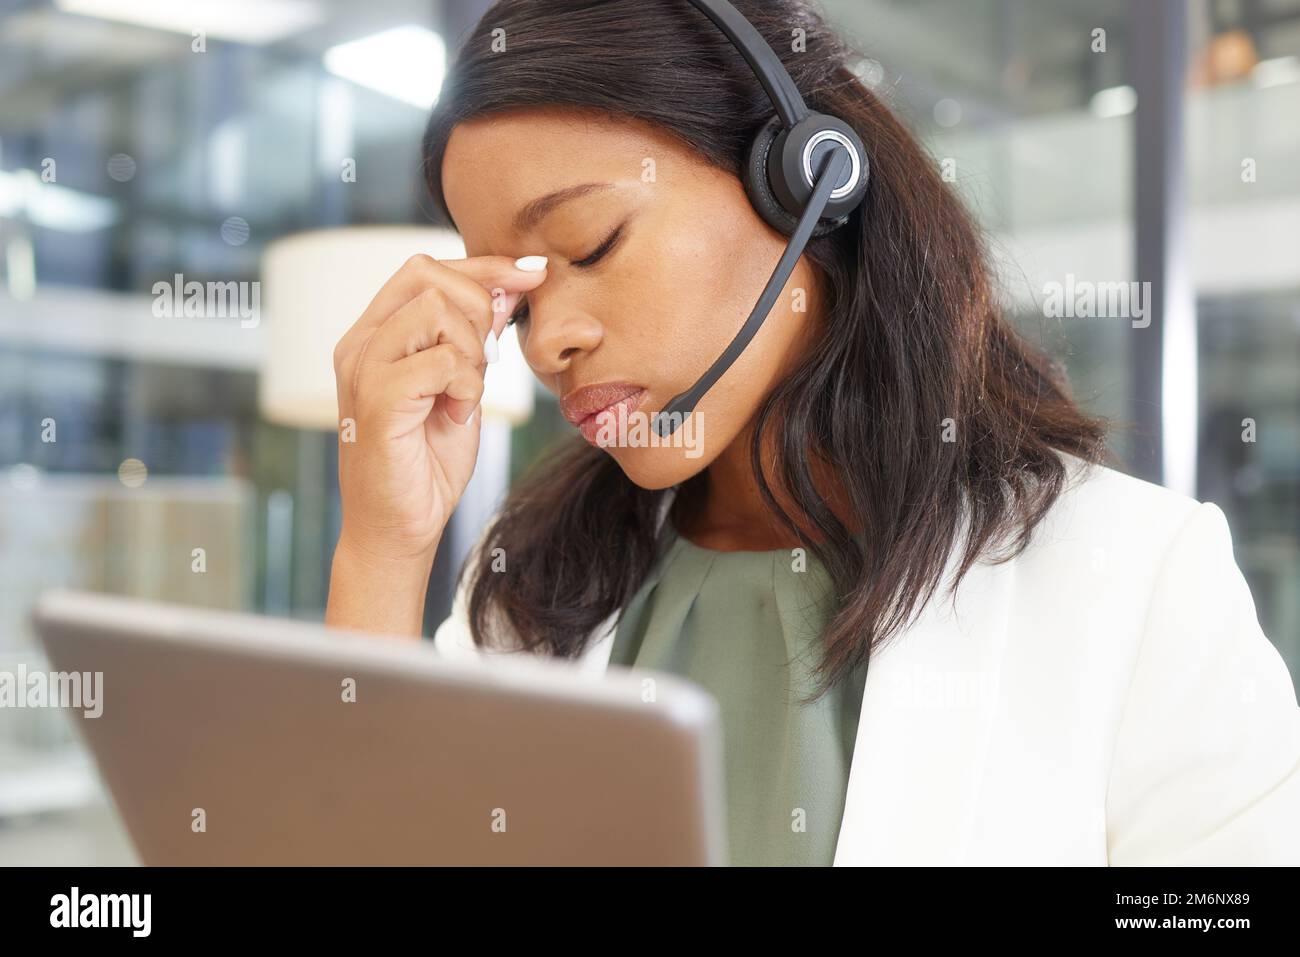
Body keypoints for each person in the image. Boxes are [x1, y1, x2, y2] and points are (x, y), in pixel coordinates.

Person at [325, 0, 1300, 865]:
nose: (551, 344)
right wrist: (383, 547)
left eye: (591, 245)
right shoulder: (530, 593)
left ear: (805, 183)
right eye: (519, 302)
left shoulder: (1134, 575)